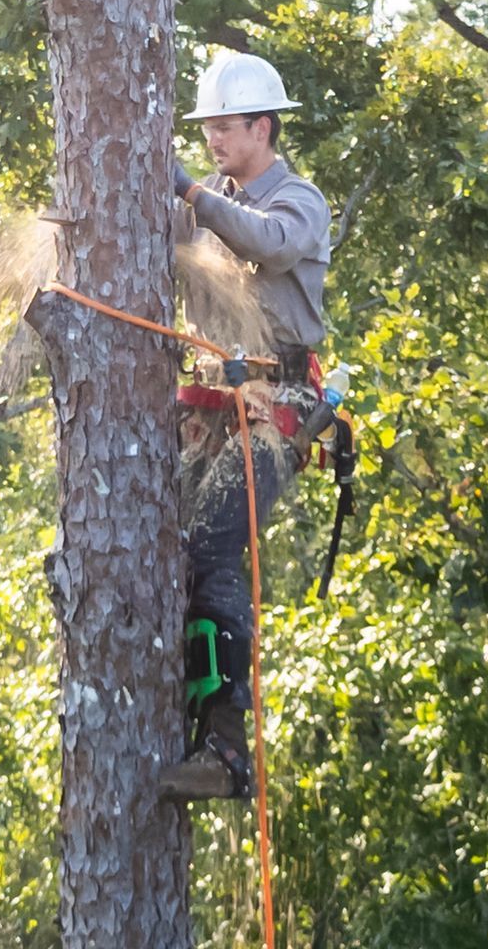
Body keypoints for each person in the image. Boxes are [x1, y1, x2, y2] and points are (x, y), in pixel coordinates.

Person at [159, 52, 331, 802]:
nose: (213, 142)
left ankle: (229, 752)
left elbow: (265, 242)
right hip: (214, 406)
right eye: (208, 130)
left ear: (263, 126)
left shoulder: (298, 202)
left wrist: (190, 193)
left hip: (279, 402)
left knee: (216, 538)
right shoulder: (208, 203)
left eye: (225, 128)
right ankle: (178, 714)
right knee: (167, 544)